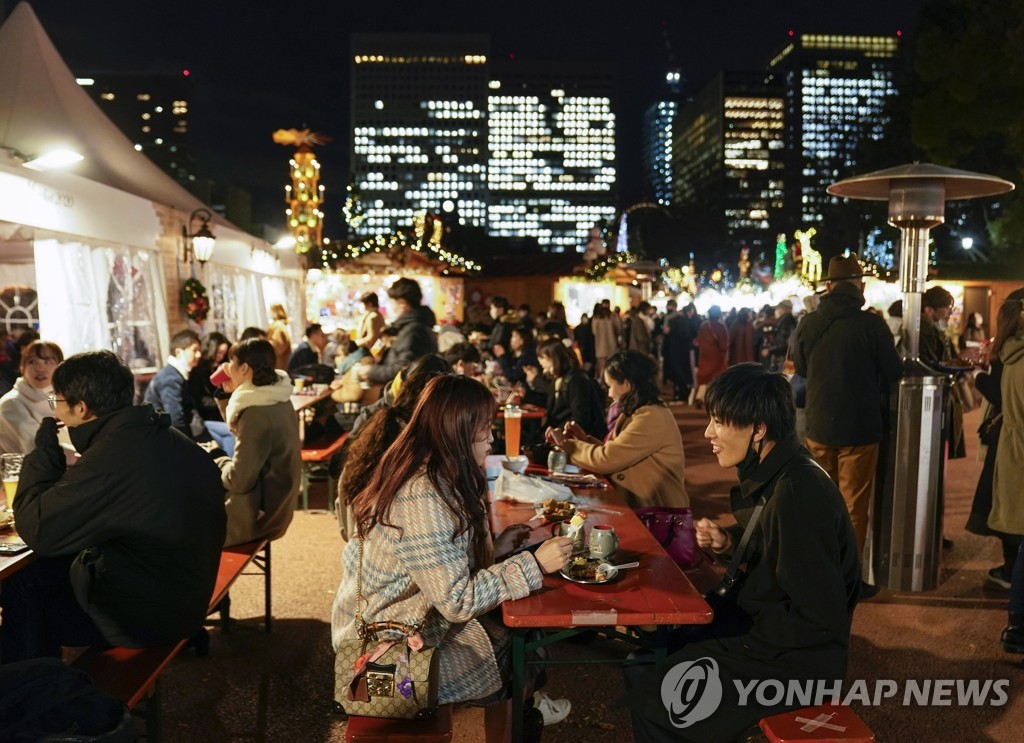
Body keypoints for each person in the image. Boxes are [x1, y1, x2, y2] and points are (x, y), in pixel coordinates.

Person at [622, 363, 861, 742]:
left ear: (759, 429)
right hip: (773, 637)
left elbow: (819, 615)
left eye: (719, 421)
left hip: (794, 661)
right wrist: (731, 541)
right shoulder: (781, 470)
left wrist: (739, 640)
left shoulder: (797, 492)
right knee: (653, 655)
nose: (708, 433)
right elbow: (782, 545)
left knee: (660, 696)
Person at [331, 375, 573, 741]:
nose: (491, 437)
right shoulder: (421, 496)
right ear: (457, 431)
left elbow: (440, 561)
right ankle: (521, 721)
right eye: (484, 429)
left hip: (414, 618)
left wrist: (501, 548)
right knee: (515, 644)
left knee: (519, 630)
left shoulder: (433, 472)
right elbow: (457, 601)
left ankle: (524, 716)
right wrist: (534, 564)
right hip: (389, 646)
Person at [1, 351, 225, 662]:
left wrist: (43, 455)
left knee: (20, 585)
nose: (58, 413)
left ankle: (35, 694)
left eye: (58, 402)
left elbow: (37, 530)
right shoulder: (155, 432)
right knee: (47, 566)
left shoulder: (113, 456)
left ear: (82, 408)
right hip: (183, 593)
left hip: (148, 618)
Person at [791, 255, 902, 580]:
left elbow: (800, 369)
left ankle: (818, 572)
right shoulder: (871, 323)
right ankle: (847, 576)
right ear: (860, 285)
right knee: (853, 505)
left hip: (818, 425)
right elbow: (893, 371)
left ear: (828, 286)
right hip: (860, 428)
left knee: (820, 500)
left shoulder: (809, 322)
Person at [547, 350, 688, 509]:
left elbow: (607, 459)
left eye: (610, 386)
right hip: (644, 506)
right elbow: (619, 451)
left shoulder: (651, 416)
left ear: (626, 385)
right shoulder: (640, 410)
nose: (609, 393)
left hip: (657, 513)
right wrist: (583, 440)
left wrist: (568, 446)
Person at [209, 338, 302, 547]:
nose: (226, 367)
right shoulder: (278, 397)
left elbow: (238, 481)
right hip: (278, 505)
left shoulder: (255, 415)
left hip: (258, 516)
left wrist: (218, 457)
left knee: (180, 521)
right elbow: (244, 433)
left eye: (230, 363)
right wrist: (227, 393)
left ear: (243, 368)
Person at [970, 290, 1024, 590]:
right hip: (1011, 436)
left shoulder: (1012, 352)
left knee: (1009, 509)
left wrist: (979, 376)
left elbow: (1003, 396)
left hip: (1012, 441)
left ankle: (1013, 575)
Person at [358, 278, 438, 387]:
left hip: (406, 397)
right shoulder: (409, 327)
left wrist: (371, 371)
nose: (391, 307)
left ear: (402, 303)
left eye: (391, 302)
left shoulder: (414, 331)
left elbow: (406, 370)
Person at [143, 328, 209, 441]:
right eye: (195, 350)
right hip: (164, 435)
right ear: (179, 352)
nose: (199, 355)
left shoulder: (179, 372)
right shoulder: (170, 377)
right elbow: (175, 418)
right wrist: (190, 446)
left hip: (189, 426)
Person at [533, 339, 606, 439]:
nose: (540, 361)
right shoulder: (558, 379)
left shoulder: (576, 380)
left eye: (542, 357)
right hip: (558, 433)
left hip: (576, 438)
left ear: (553, 358)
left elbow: (580, 417)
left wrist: (561, 433)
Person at [0, 340, 64, 454]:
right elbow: (36, 447)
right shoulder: (11, 403)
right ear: (22, 367)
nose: (40, 368)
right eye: (32, 362)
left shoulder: (59, 399)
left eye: (48, 361)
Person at [339, 291, 385, 375]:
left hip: (367, 350)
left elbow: (371, 338)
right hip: (372, 350)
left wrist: (356, 343)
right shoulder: (377, 315)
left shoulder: (372, 317)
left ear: (369, 304)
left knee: (343, 368)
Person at [693, 305, 728, 407]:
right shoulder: (721, 327)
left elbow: (699, 341)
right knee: (717, 378)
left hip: (704, 356)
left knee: (704, 378)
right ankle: (716, 400)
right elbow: (724, 345)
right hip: (716, 357)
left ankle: (700, 397)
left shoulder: (704, 326)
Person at [267, 303, 292, 371]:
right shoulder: (280, 326)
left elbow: (279, 346)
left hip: (278, 364)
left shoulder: (278, 326)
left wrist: (265, 344)